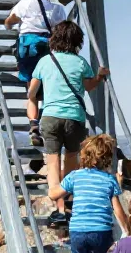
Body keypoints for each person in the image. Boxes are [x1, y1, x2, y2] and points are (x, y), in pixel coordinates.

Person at [28, 20, 109, 222]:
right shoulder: (81, 63)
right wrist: (99, 77)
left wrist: (33, 100)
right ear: (76, 41)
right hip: (74, 117)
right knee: (71, 159)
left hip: (50, 116)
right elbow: (88, 86)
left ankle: (59, 208)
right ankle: (70, 199)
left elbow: (32, 91)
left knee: (53, 161)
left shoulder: (45, 61)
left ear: (54, 39)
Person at [4, 0, 67, 148]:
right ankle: (50, 126)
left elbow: (11, 19)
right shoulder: (59, 9)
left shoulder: (25, 3)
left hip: (28, 48)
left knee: (31, 92)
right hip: (47, 48)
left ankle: (33, 126)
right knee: (47, 89)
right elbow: (62, 31)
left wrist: (8, 25)